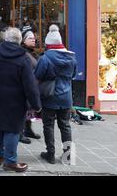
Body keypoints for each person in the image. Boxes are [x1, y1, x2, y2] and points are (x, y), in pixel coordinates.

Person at [0, 27, 41, 173]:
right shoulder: (23, 58)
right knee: (13, 129)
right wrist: (36, 104)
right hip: (16, 101)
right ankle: (10, 161)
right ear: (20, 40)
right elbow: (30, 84)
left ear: (5, 39)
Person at [35, 24, 77, 165]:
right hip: (66, 96)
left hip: (49, 96)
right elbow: (74, 76)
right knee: (65, 125)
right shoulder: (72, 58)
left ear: (48, 44)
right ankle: (68, 155)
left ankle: (50, 154)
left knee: (48, 125)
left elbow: (38, 76)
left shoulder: (45, 58)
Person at [19, 26, 42, 144]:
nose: (33, 40)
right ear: (23, 40)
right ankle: (20, 132)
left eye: (34, 38)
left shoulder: (32, 53)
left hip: (33, 84)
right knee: (24, 109)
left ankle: (28, 129)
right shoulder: (23, 53)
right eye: (30, 38)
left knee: (30, 109)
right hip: (25, 85)